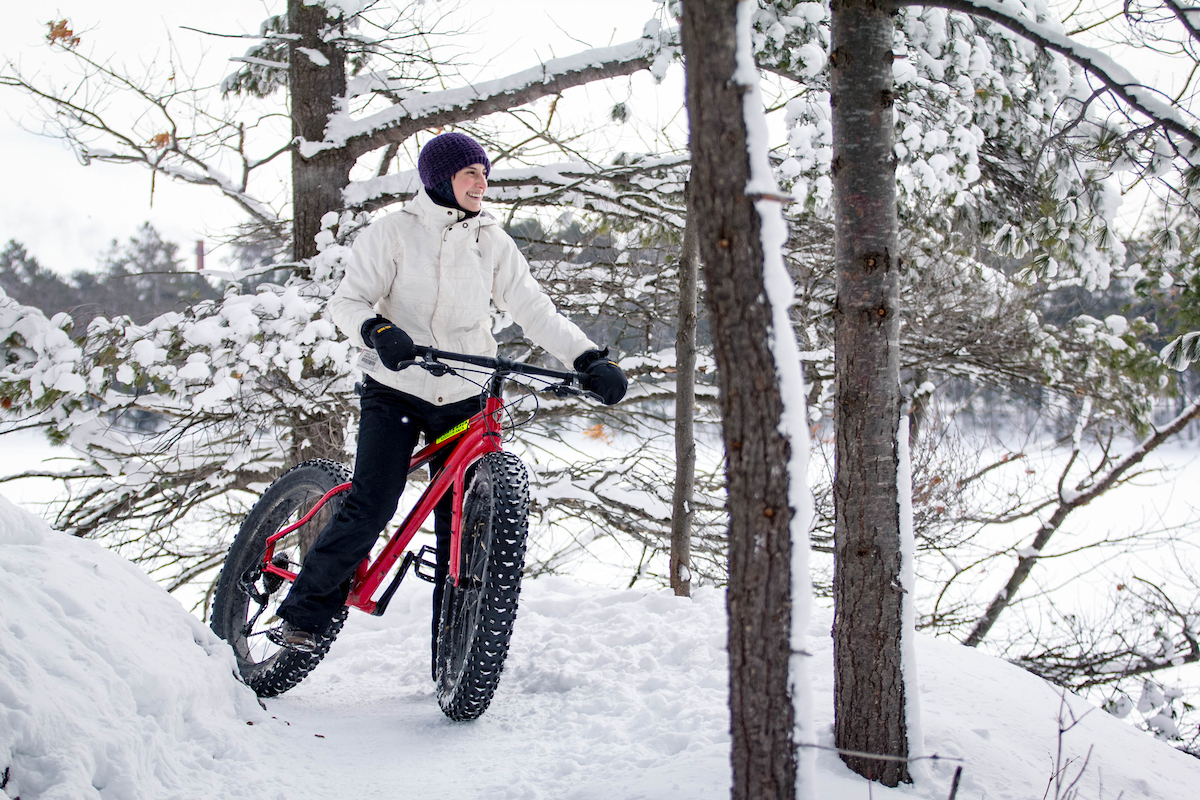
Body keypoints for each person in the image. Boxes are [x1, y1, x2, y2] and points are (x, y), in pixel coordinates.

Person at [270, 132, 627, 656]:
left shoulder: (491, 240)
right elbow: (347, 301)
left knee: (459, 526)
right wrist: (377, 330)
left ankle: (453, 650)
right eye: (470, 174)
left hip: (464, 391)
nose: (482, 182)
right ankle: (304, 614)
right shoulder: (392, 233)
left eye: (485, 173)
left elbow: (535, 310)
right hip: (397, 387)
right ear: (441, 179)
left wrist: (588, 358)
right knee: (374, 500)